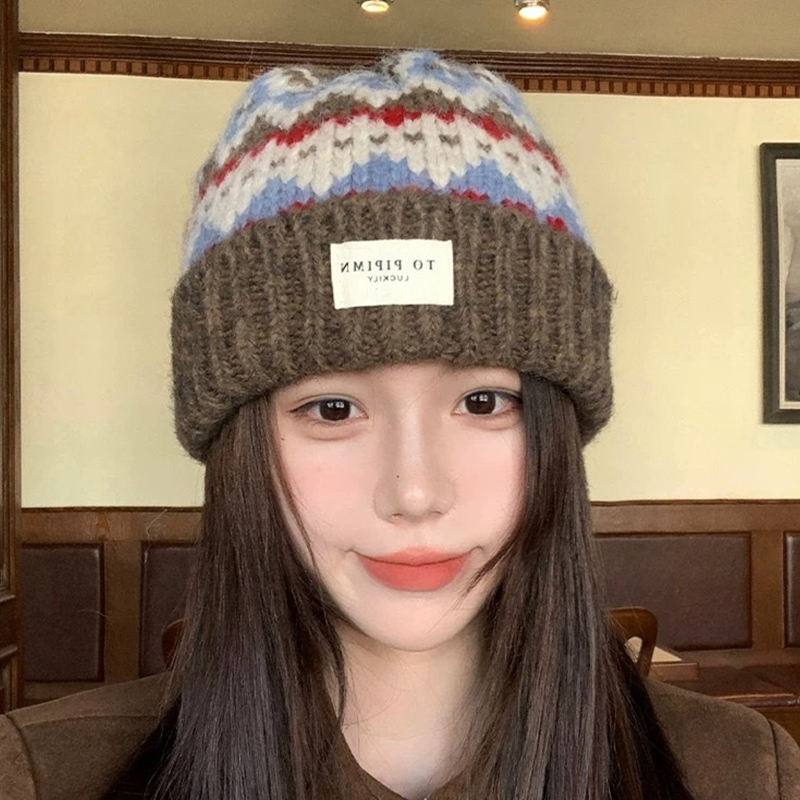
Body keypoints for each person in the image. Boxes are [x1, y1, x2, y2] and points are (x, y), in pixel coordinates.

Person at [2, 48, 800, 800]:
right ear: (238, 444)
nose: (415, 493)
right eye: (333, 409)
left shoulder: (743, 773)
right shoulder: (40, 775)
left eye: (483, 402)